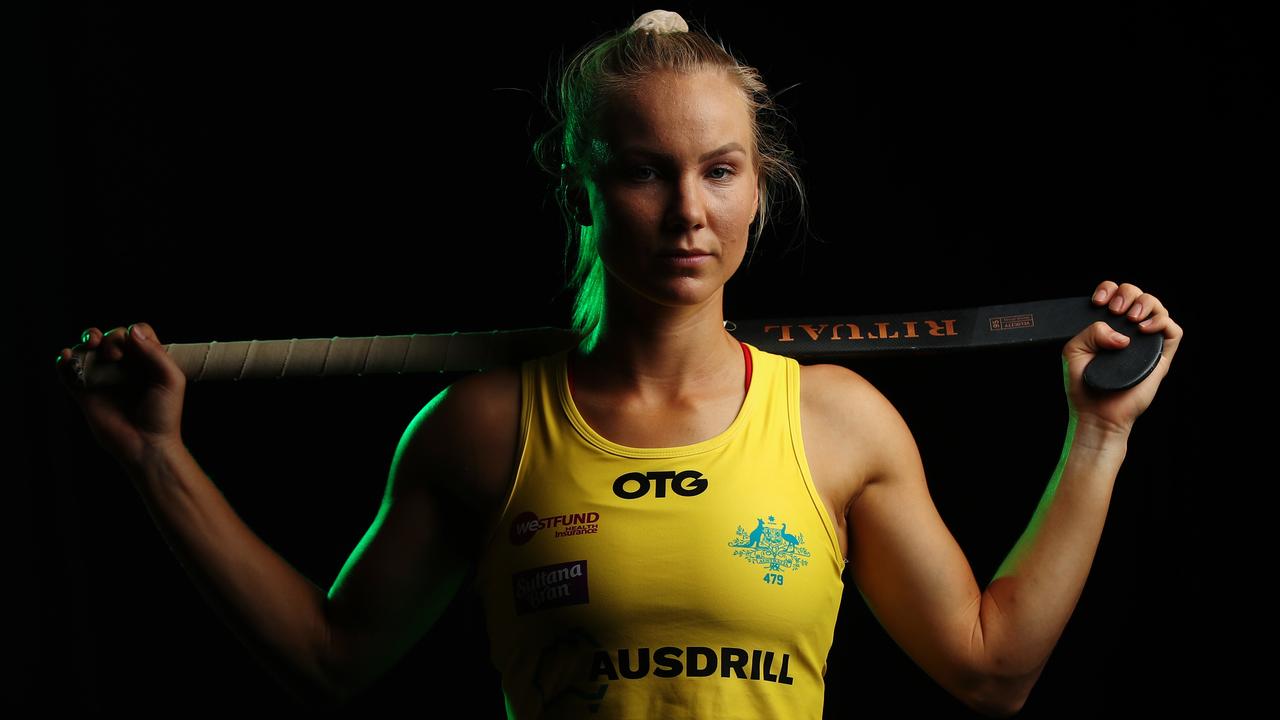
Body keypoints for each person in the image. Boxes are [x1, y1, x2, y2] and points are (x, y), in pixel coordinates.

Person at [55, 9, 1182, 719]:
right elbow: (329, 661)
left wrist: (1097, 433)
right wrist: (158, 458)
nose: (687, 212)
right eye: (644, 172)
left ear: (758, 189)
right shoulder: (482, 428)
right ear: (582, 194)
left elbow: (992, 674)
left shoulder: (837, 424)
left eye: (720, 170)